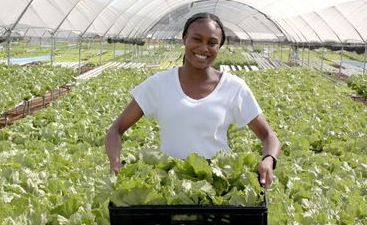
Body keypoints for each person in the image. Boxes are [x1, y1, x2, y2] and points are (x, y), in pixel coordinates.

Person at [105, 13, 280, 187]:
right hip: (169, 183)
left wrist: (268, 159)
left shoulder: (234, 87)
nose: (204, 48)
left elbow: (268, 136)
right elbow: (116, 130)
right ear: (184, 40)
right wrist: (115, 161)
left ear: (219, 47)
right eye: (197, 39)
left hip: (218, 183)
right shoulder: (159, 83)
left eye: (212, 43)